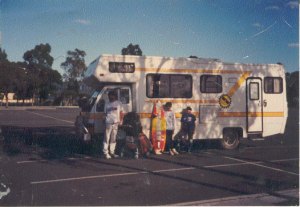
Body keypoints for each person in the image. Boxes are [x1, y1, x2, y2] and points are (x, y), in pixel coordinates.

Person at [103, 90, 123, 159]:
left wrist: (121, 121)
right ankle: (106, 153)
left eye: (111, 95)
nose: (110, 97)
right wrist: (104, 120)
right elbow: (105, 113)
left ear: (114, 96)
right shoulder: (107, 103)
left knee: (113, 138)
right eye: (109, 96)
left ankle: (112, 152)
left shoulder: (119, 103)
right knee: (106, 138)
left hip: (116, 123)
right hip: (108, 123)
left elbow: (121, 113)